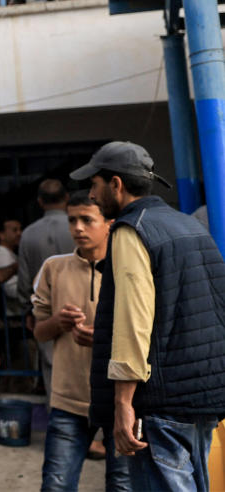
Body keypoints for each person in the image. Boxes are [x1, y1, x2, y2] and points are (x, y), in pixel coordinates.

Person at [77, 141, 225, 491]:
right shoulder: (188, 225)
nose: (91, 195)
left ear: (115, 184)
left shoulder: (131, 230)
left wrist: (123, 403)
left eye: (94, 184)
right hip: (203, 395)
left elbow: (133, 321)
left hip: (160, 404)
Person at [32, 191, 129, 491]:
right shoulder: (53, 268)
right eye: (72, 220)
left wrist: (104, 339)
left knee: (122, 486)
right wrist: (57, 322)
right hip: (68, 400)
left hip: (121, 399)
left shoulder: (128, 270)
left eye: (87, 220)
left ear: (109, 225)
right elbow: (39, 332)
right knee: (55, 485)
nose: (77, 228)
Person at [19, 179, 75, 396]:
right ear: (66, 198)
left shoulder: (29, 234)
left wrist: (27, 309)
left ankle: (59, 420)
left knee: (53, 368)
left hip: (45, 310)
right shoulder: (81, 227)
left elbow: (24, 281)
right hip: (84, 306)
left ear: (40, 202)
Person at [0, 218, 23, 317]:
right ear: (1, 235)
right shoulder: (2, 254)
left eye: (20, 229)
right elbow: (11, 289)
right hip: (14, 315)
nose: (19, 233)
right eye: (15, 230)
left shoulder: (10, 253)